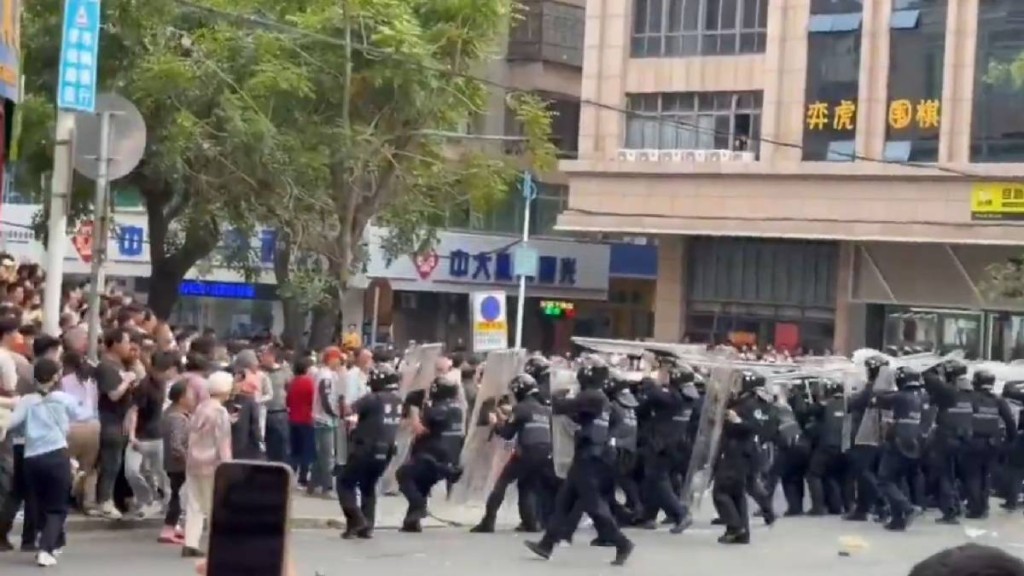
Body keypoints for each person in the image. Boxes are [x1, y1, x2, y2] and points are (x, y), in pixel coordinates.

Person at [524, 360, 634, 566]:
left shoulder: (591, 395)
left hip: (589, 459)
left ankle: (622, 543)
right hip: (589, 456)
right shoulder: (602, 398)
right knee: (563, 502)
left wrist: (557, 394)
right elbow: (604, 418)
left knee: (594, 505)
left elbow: (560, 407)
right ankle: (547, 544)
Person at [7, 357, 93, 566]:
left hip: (31, 459)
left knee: (39, 503)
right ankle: (46, 549)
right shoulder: (63, 399)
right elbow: (85, 414)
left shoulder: (27, 400)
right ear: (55, 377)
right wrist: (88, 394)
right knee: (57, 507)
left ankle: (52, 541)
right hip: (56, 456)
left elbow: (12, 424)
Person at [337, 363, 402, 539]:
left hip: (366, 447)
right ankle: (366, 527)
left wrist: (341, 398)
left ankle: (356, 519)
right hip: (387, 450)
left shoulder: (372, 398)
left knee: (344, 482)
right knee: (368, 485)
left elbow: (348, 411)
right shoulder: (397, 400)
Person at [182, 371, 234, 558]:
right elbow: (223, 441)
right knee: (215, 504)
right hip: (212, 463)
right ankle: (218, 542)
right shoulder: (220, 412)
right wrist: (228, 466)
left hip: (193, 461)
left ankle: (190, 542)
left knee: (194, 503)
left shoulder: (200, 408)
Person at [125, 350, 178, 519]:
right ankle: (147, 499)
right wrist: (132, 435)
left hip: (159, 435)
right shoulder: (145, 386)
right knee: (132, 471)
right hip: (142, 435)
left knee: (161, 474)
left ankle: (166, 503)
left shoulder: (168, 385)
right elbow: (134, 410)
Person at [160, 379, 192, 545]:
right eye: (190, 394)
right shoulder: (176, 418)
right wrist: (188, 461)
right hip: (179, 464)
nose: (193, 398)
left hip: (174, 463)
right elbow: (176, 444)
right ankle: (169, 528)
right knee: (178, 497)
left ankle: (172, 527)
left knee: (176, 495)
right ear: (181, 398)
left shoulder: (171, 414)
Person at [286, 356, 316, 486]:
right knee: (306, 449)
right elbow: (313, 399)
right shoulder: (309, 382)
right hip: (307, 418)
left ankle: (291, 473)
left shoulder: (292, 383)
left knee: (295, 449)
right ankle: (303, 477)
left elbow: (288, 400)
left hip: (293, 417)